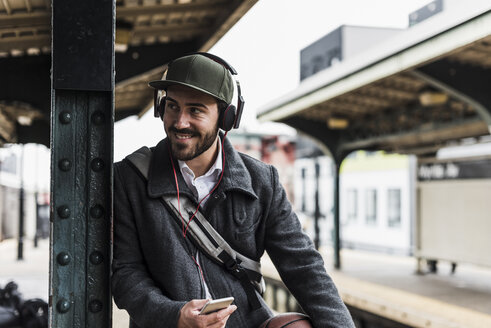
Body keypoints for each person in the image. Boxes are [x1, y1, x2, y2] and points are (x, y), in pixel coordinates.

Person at [112, 53, 355, 328]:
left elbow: (305, 268)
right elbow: (126, 273)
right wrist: (174, 316)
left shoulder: (263, 181)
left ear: (226, 117)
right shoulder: (129, 178)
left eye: (195, 110)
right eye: (172, 106)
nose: (180, 122)